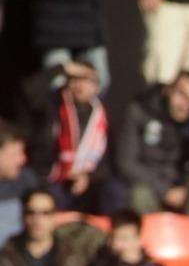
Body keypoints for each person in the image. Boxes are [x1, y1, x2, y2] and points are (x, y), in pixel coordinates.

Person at [32, 61, 123, 215]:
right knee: (49, 193)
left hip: (90, 180)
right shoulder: (52, 107)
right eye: (75, 79)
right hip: (56, 178)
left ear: (97, 87)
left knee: (114, 190)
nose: (80, 85)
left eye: (86, 80)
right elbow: (28, 90)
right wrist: (62, 68)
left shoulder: (104, 116)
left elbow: (110, 161)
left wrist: (87, 176)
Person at [117, 73, 189, 216]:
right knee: (139, 194)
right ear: (167, 91)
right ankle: (146, 237)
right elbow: (126, 162)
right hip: (150, 185)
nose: (184, 105)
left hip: (180, 187)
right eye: (181, 95)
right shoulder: (139, 111)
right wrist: (164, 191)